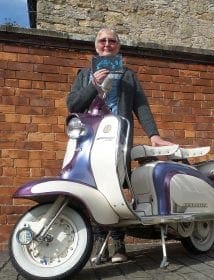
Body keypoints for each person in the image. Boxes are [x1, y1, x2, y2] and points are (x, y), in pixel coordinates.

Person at [66, 27, 175, 263]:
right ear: (95, 45)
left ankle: (117, 244)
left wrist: (153, 135)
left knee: (114, 188)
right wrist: (93, 84)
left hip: (117, 140)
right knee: (89, 190)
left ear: (118, 46)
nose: (107, 44)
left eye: (112, 41)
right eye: (102, 40)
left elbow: (141, 106)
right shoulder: (84, 74)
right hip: (89, 140)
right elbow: (73, 105)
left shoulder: (128, 75)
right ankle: (99, 244)